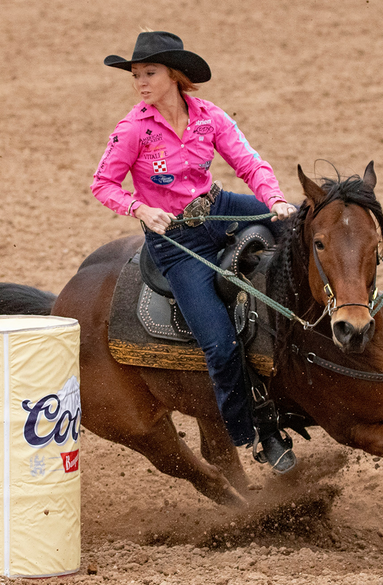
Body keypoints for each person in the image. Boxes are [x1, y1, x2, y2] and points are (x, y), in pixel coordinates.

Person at [91, 31, 298, 474]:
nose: (140, 81)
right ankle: (254, 431)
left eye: (149, 73)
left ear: (174, 76)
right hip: (176, 243)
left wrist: (274, 199)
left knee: (298, 223)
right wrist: (140, 208)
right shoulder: (133, 129)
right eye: (136, 74)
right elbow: (103, 184)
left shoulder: (209, 117)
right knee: (220, 345)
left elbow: (249, 163)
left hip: (219, 209)